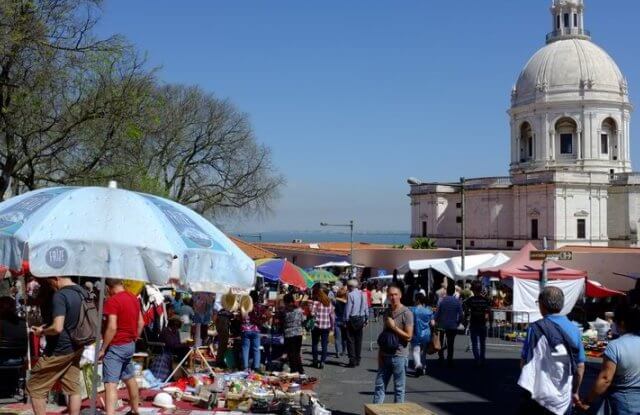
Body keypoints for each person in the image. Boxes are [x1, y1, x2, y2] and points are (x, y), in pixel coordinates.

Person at [518, 286, 585, 415]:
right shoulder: (574, 330)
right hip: (564, 399)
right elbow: (580, 367)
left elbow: (525, 362)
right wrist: (575, 391)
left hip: (539, 395)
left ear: (542, 304)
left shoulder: (535, 328)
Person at [27, 277, 87, 415]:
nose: (50, 285)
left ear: (56, 278)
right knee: (73, 386)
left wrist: (42, 331)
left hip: (60, 348)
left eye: (49, 281)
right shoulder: (81, 291)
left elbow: (58, 328)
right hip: (77, 345)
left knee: (35, 386)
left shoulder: (60, 295)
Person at [577, 302, 640, 414]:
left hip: (624, 405)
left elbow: (605, 379)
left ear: (622, 323)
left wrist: (587, 401)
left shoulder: (615, 346)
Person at [99, 278, 144, 415]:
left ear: (108, 287)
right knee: (129, 378)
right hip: (129, 344)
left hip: (116, 345)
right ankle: (135, 410)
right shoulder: (133, 298)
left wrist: (102, 349)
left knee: (110, 383)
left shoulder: (112, 301)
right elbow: (141, 322)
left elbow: (112, 327)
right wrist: (134, 338)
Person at [372, 284, 414, 404]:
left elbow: (409, 336)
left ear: (400, 295)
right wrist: (379, 354)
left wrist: (394, 327)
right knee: (379, 386)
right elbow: (385, 335)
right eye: (391, 295)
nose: (393, 297)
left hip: (399, 356)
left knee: (399, 389)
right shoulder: (387, 312)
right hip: (385, 355)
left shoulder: (407, 313)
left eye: (395, 294)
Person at [434, 283, 463, 367]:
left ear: (446, 291)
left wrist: (435, 321)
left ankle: (441, 357)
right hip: (452, 325)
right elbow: (461, 315)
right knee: (451, 343)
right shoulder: (457, 301)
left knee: (441, 341)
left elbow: (437, 312)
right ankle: (450, 359)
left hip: (442, 324)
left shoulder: (441, 300)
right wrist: (458, 322)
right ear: (454, 291)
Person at [463, 281, 492, 366]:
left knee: (474, 343)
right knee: (482, 343)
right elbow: (490, 312)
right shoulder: (485, 300)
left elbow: (465, 309)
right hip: (482, 323)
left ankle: (477, 359)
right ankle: (482, 359)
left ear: (474, 290)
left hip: (474, 323)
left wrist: (465, 320)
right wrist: (490, 323)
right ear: (480, 290)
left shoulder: (470, 300)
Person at [240, 291, 269, 372]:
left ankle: (245, 367)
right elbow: (269, 315)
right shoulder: (259, 306)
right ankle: (256, 367)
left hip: (245, 329)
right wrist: (262, 321)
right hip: (256, 329)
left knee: (245, 349)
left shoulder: (245, 305)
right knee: (256, 349)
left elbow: (240, 317)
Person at [345, 279, 368, 367]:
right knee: (358, 340)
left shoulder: (350, 295)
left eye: (348, 286)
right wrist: (366, 318)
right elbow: (366, 306)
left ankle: (352, 360)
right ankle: (358, 359)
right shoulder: (363, 294)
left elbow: (348, 308)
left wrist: (346, 320)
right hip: (361, 318)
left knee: (350, 340)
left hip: (352, 318)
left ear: (350, 286)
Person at [311, 286, 335, 369]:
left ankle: (315, 361)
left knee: (315, 344)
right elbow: (332, 316)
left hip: (316, 326)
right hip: (326, 326)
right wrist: (332, 326)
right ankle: (322, 362)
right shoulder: (329, 303)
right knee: (324, 345)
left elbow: (312, 314)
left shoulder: (315, 303)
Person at [410, 293, 434, 377]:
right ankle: (423, 368)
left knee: (415, 351)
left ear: (417, 300)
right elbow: (433, 323)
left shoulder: (412, 310)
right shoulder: (428, 311)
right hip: (426, 334)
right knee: (423, 352)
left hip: (415, 333)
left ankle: (418, 365)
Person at [282, 293, 305, 374]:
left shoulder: (284, 311)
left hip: (289, 334)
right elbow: (303, 320)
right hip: (298, 333)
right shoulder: (299, 310)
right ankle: (301, 371)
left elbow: (283, 322)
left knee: (291, 354)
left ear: (286, 302)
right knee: (297, 353)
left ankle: (294, 371)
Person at [215, 291, 237, 368]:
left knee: (222, 343)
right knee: (223, 343)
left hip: (221, 326)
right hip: (223, 326)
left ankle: (219, 360)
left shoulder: (221, 311)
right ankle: (219, 361)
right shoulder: (225, 312)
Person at [333, 286, 348, 358]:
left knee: (337, 338)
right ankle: (344, 351)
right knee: (344, 337)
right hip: (344, 320)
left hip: (337, 320)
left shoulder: (335, 301)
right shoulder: (347, 301)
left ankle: (337, 352)